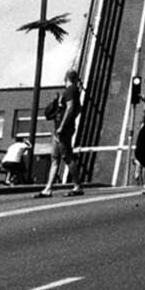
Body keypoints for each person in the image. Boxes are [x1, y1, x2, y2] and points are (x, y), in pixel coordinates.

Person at [39, 69, 83, 197]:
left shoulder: (71, 91)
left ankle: (77, 186)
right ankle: (48, 189)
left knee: (67, 157)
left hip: (62, 130)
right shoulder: (71, 91)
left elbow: (70, 108)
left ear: (66, 79)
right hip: (59, 129)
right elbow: (78, 109)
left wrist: (63, 126)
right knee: (55, 158)